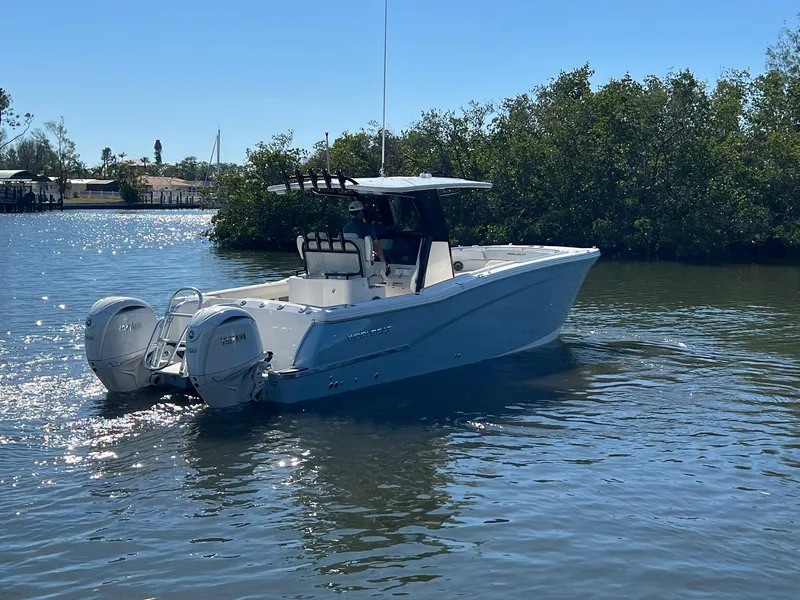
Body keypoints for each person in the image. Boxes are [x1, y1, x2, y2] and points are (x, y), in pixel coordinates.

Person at [343, 199, 389, 269]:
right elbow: (376, 247)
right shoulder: (366, 227)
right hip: (364, 266)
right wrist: (384, 264)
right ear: (361, 212)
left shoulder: (345, 228)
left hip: (349, 264)